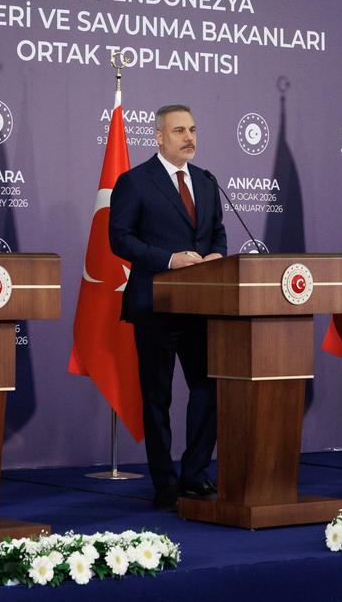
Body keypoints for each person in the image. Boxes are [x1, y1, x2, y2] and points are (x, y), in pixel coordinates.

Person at [109, 104, 227, 508]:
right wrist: (169, 259)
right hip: (156, 306)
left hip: (201, 307)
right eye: (179, 130)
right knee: (158, 398)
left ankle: (195, 474)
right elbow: (120, 239)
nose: (189, 137)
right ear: (159, 136)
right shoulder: (135, 181)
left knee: (207, 389)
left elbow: (217, 234)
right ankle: (164, 481)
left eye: (193, 129)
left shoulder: (207, 182)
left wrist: (215, 257)